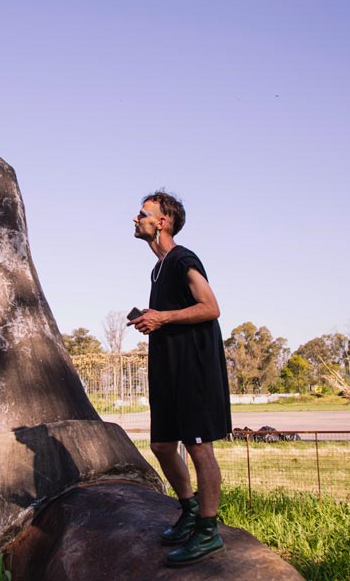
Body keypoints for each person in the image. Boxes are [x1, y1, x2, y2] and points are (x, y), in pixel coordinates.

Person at [129, 190, 232, 566]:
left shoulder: (182, 258)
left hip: (193, 368)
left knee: (198, 447)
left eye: (143, 213)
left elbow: (211, 307)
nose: (136, 219)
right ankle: (189, 510)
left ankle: (208, 531)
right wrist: (151, 318)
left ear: (163, 222)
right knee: (161, 446)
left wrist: (162, 318)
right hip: (167, 367)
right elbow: (169, 312)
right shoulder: (157, 268)